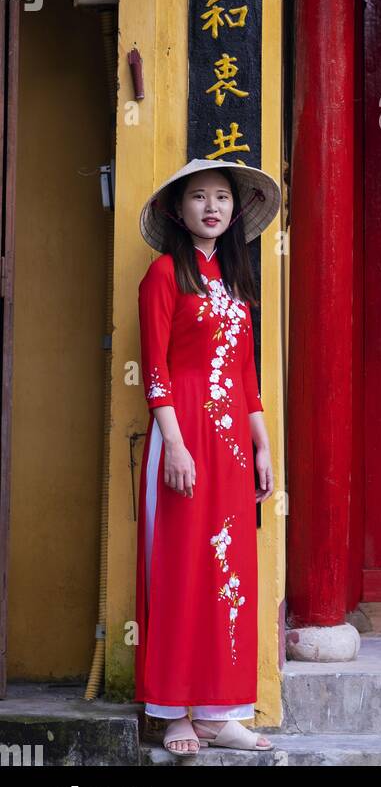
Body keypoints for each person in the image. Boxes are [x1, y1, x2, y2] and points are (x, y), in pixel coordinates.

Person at [134, 157, 281, 756]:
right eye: (199, 197)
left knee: (229, 572)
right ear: (178, 209)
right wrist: (172, 441)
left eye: (221, 197)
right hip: (183, 437)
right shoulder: (164, 275)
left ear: (235, 209)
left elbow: (246, 374)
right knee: (179, 569)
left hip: (229, 450)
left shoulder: (235, 283)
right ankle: (175, 714)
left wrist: (263, 444)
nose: (211, 208)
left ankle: (221, 714)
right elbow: (155, 366)